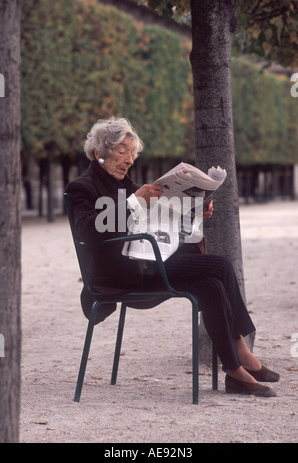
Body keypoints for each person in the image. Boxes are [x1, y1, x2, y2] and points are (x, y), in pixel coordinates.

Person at [66, 116, 280, 398]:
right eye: (122, 153)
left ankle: (234, 372)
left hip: (149, 263)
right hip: (117, 275)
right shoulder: (82, 187)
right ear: (99, 153)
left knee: (212, 285)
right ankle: (242, 353)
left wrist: (194, 212)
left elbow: (161, 228)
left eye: (132, 154)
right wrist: (133, 204)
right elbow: (89, 230)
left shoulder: (128, 185)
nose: (129, 160)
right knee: (220, 265)